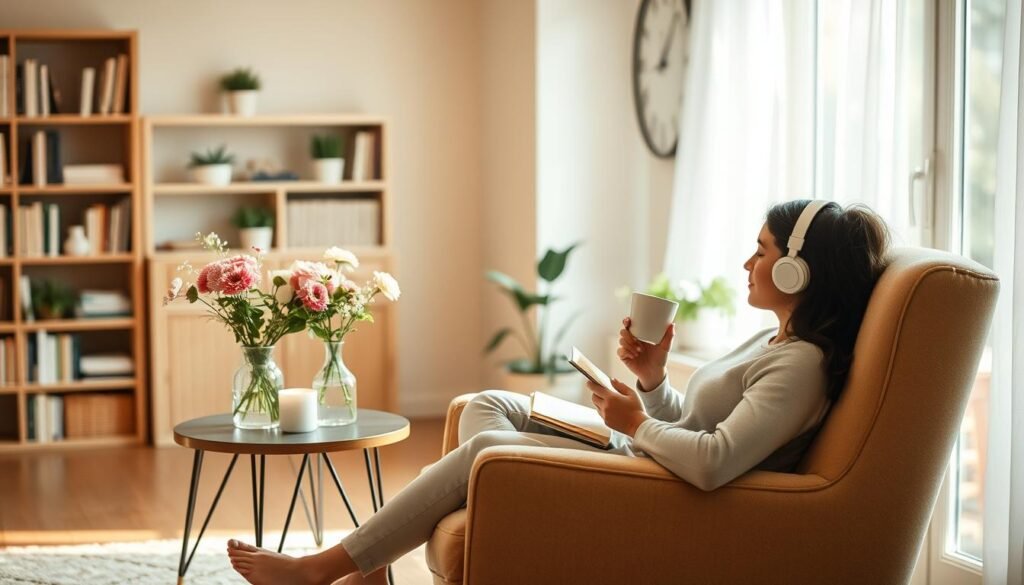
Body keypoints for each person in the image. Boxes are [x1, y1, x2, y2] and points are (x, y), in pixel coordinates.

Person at [227, 199, 891, 585]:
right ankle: (373, 566)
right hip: (648, 459)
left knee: (486, 444)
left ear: (794, 268)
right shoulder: (775, 339)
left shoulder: (800, 365)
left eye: (761, 249)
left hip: (661, 486)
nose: (748, 262)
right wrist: (654, 381)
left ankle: (321, 568)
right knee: (492, 405)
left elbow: (715, 463)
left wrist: (635, 424)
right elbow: (691, 422)